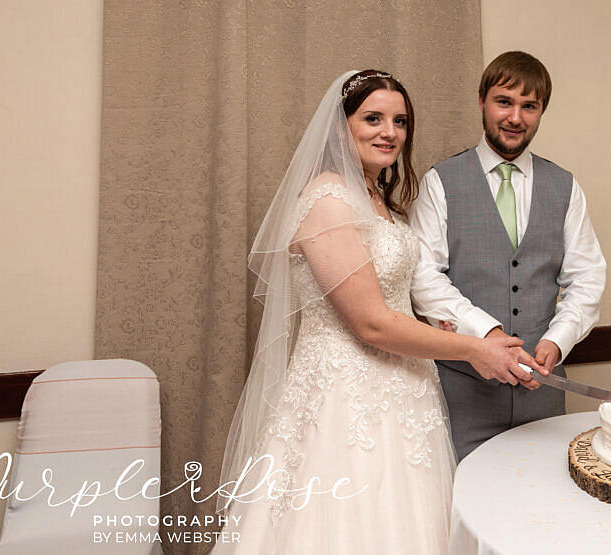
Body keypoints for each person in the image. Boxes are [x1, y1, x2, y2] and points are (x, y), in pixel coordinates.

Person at [214, 70, 544, 554]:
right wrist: (475, 349)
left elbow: (401, 297)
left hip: (406, 398)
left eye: (400, 121)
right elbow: (370, 322)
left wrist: (456, 327)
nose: (389, 132)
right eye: (373, 118)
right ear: (341, 126)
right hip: (347, 402)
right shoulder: (327, 199)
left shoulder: (381, 202)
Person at [410, 51, 607, 460]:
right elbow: (424, 279)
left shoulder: (565, 186)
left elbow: (586, 278)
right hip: (461, 396)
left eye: (529, 106)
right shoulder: (440, 182)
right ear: (482, 101)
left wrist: (556, 340)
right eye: (504, 102)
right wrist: (487, 335)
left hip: (543, 399)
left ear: (540, 113)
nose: (516, 117)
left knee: (544, 508)